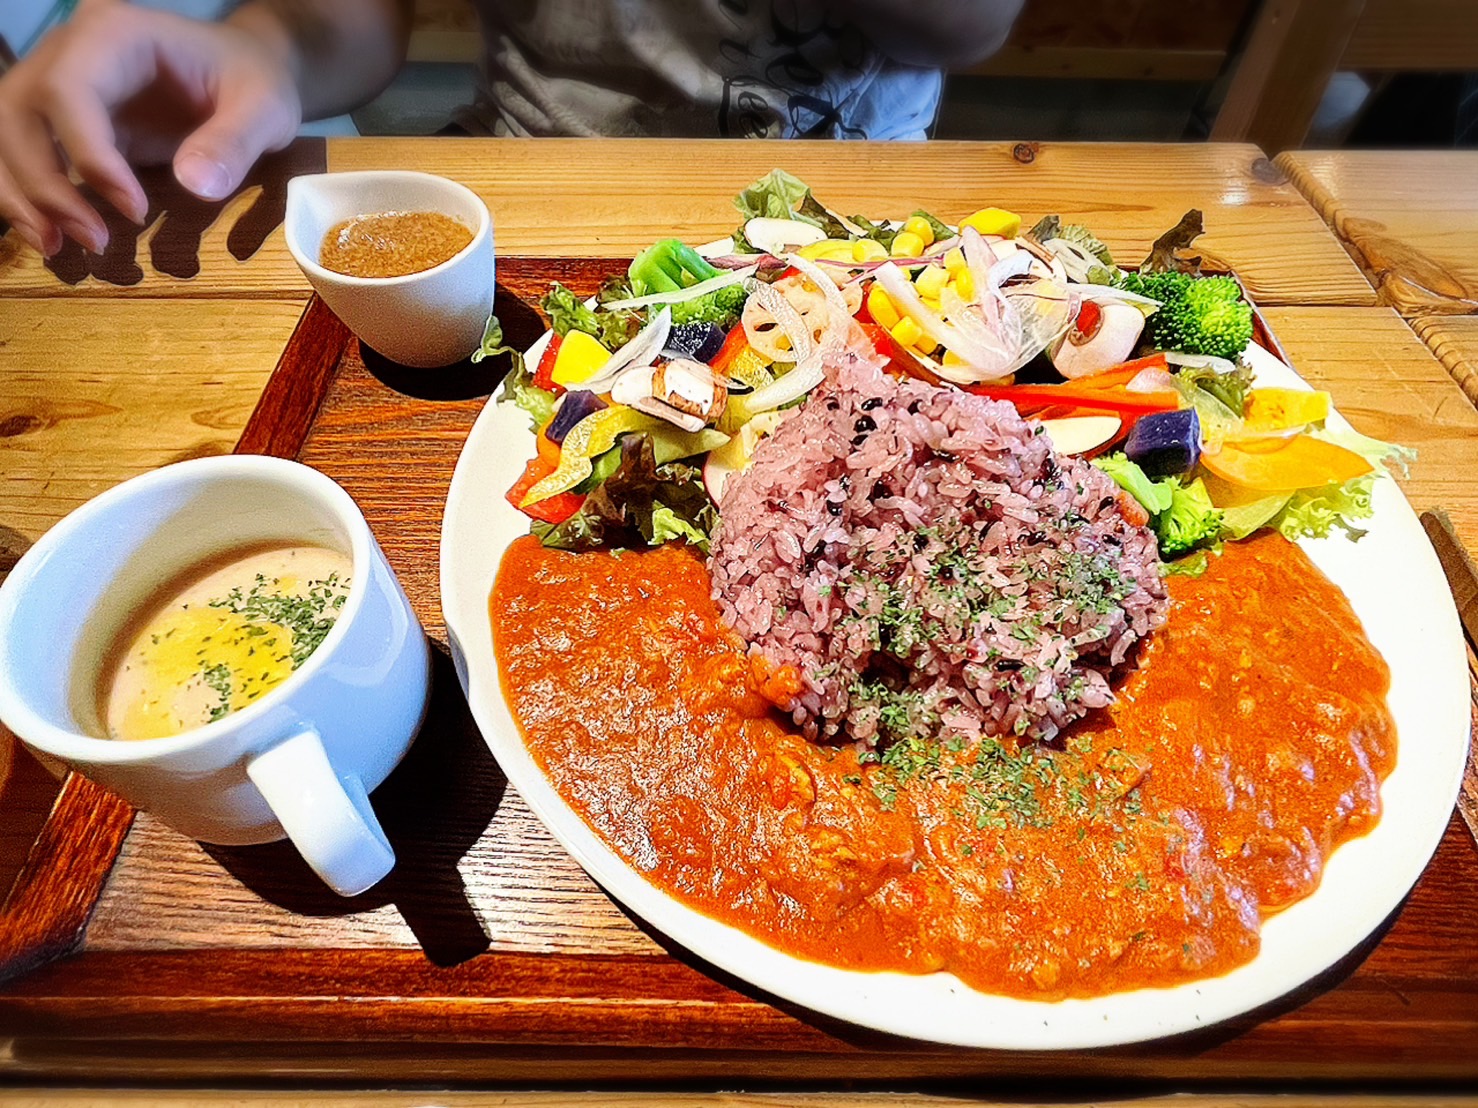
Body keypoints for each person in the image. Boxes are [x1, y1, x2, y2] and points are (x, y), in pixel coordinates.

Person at [0, 0, 1021, 257]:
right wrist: (268, 50)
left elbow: (972, 25)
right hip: (526, 170)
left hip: (862, 195)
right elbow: (345, 22)